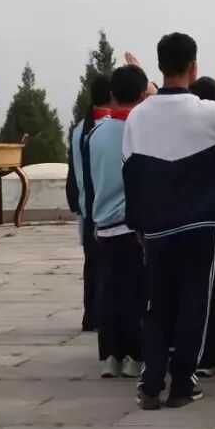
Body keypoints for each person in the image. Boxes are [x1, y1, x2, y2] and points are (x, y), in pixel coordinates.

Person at [123, 33, 215, 410]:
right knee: (194, 305)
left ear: (160, 66)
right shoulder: (207, 112)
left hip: (157, 226)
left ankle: (151, 381)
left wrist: (138, 224)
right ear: (193, 67)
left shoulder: (138, 117)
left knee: (157, 306)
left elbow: (131, 174)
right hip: (200, 226)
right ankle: (183, 383)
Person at [86, 64, 150, 380]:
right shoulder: (140, 131)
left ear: (112, 95)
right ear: (143, 95)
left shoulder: (95, 134)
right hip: (134, 225)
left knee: (109, 291)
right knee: (135, 293)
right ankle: (135, 357)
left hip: (104, 224)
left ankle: (110, 356)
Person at [189, 76, 215, 378]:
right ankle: (208, 354)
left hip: (181, 218)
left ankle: (187, 351)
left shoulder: (185, 127)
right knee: (212, 291)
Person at [67, 75, 112, 333]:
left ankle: (91, 314)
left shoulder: (79, 129)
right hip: (106, 207)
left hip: (86, 206)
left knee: (92, 263)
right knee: (108, 265)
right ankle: (104, 313)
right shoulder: (108, 128)